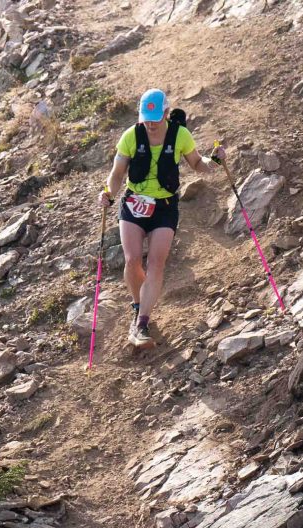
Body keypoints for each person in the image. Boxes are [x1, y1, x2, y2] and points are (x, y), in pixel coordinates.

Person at [101, 89, 225, 348]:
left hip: (165, 206)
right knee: (133, 260)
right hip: (134, 204)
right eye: (147, 118)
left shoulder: (180, 134)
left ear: (167, 114)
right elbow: (117, 173)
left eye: (156, 118)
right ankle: (137, 305)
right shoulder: (130, 136)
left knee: (157, 261)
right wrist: (108, 194)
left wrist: (214, 161)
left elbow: (197, 164)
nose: (151, 123)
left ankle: (142, 323)